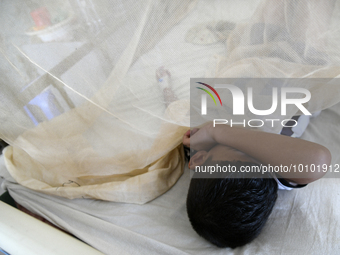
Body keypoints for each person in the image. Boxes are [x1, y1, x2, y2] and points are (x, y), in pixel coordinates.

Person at [182, 122, 331, 248]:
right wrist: (214, 131)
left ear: (199, 158)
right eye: (262, 159)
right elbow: (318, 161)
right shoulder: (280, 175)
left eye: (238, 149)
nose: (253, 149)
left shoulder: (196, 143)